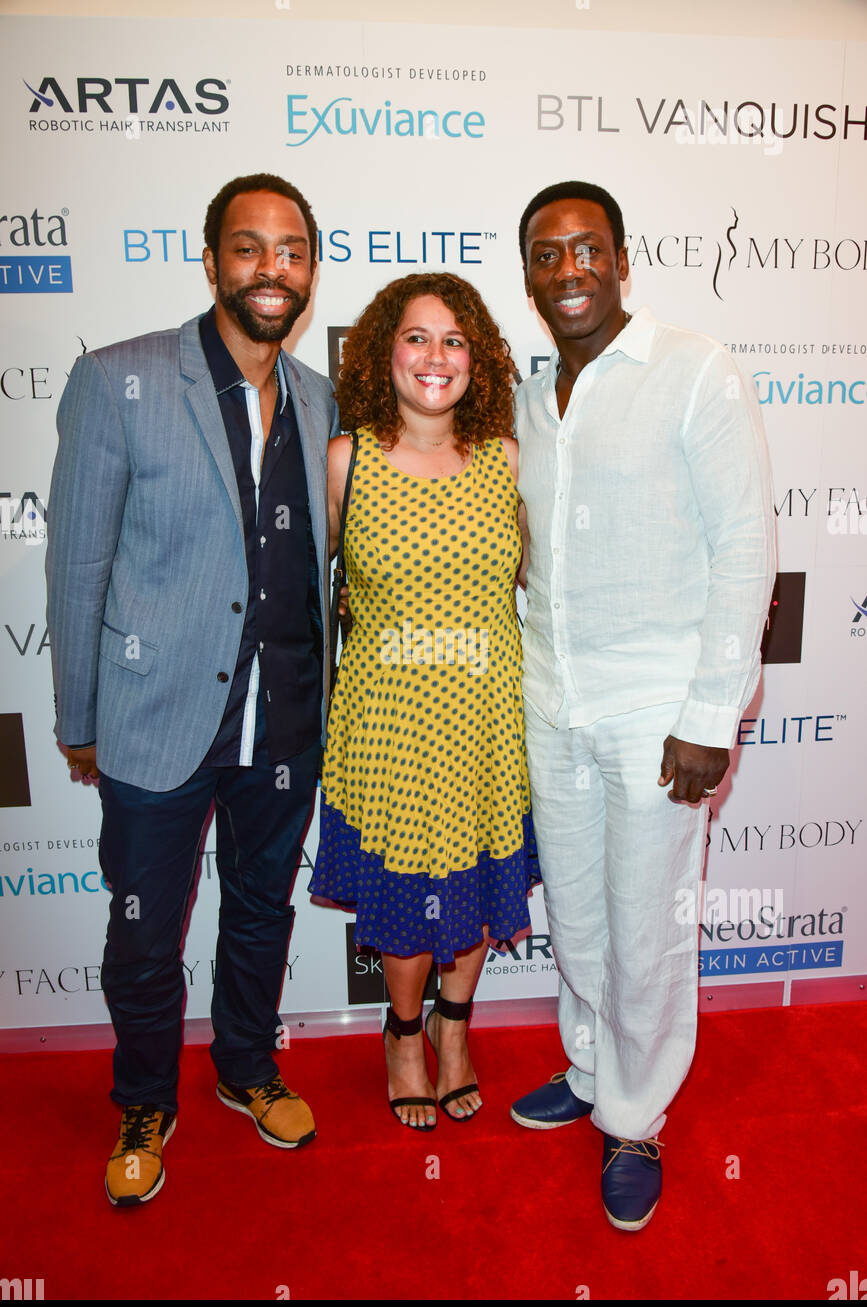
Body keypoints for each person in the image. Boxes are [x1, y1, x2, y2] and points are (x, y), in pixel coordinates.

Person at [45, 173, 338, 1206]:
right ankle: (143, 1098)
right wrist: (78, 716)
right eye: (250, 247)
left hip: (286, 716)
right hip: (156, 715)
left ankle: (248, 1067)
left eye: (292, 248)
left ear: (310, 267)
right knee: (143, 926)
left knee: (262, 909)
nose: (273, 267)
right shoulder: (119, 379)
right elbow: (77, 565)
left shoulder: (318, 395)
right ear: (211, 260)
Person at [510, 181, 775, 1230]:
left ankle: (634, 1114)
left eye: (587, 248)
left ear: (622, 259)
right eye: (546, 253)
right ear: (529, 274)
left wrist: (712, 712)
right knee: (574, 905)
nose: (568, 268)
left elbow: (746, 546)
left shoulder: (694, 371)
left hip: (660, 708)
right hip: (553, 696)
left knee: (645, 921)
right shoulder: (535, 398)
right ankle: (586, 1065)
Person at [310, 272, 538, 1129]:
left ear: (475, 359)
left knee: (473, 889)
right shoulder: (348, 458)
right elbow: (308, 588)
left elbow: (542, 583)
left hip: (486, 718)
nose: (434, 357)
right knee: (406, 896)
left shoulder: (508, 459)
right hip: (388, 722)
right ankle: (402, 1032)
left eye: (453, 340)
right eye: (416, 337)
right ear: (383, 352)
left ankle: (454, 1028)